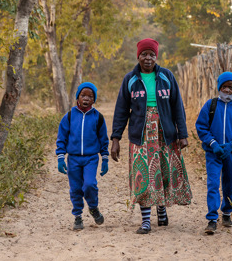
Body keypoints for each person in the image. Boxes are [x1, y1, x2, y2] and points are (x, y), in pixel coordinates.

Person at [110, 38, 192, 234]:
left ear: (157, 56)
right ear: (138, 56)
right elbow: (121, 110)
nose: (148, 58)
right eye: (144, 54)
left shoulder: (167, 76)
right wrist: (115, 139)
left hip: (165, 133)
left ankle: (162, 210)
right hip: (141, 134)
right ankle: (146, 220)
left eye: (152, 54)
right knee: (143, 175)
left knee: (162, 172)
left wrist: (183, 134)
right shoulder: (130, 79)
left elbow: (177, 107)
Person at [195, 71, 232, 235]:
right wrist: (213, 144)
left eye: (231, 87)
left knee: (230, 183)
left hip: (231, 152)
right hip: (213, 152)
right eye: (225, 87)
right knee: (213, 183)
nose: (228, 90)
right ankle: (212, 218)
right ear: (220, 87)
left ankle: (227, 213)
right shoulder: (210, 106)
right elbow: (201, 127)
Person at [56, 82, 109, 231]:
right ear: (77, 97)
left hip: (91, 158)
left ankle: (93, 207)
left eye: (90, 96)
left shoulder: (98, 117)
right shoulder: (69, 116)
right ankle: (77, 216)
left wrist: (105, 158)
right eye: (83, 95)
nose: (86, 98)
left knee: (89, 184)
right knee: (75, 189)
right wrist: (60, 158)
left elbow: (103, 139)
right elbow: (62, 138)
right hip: (73, 158)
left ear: (94, 100)